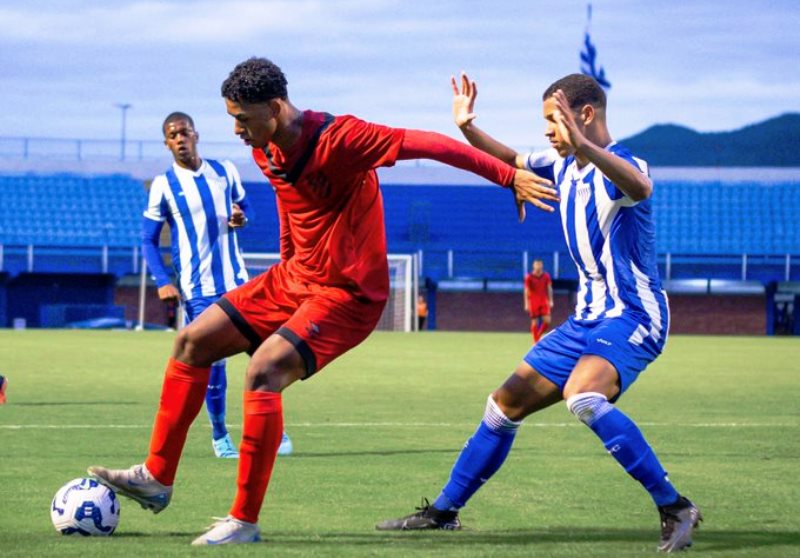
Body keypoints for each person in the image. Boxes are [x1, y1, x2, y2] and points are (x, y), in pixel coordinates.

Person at [87, 57, 558, 546]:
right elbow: (293, 211)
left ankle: (243, 521)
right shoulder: (266, 150)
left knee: (262, 372)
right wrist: (286, 283)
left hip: (349, 293)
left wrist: (509, 176)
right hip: (295, 278)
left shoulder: (342, 139)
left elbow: (431, 144)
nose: (235, 129)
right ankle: (157, 477)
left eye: (243, 118)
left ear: (274, 108)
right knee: (191, 340)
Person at [377, 73, 701, 553]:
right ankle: (443, 512)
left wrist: (584, 147)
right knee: (503, 404)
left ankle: (675, 506)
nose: (548, 132)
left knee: (583, 396)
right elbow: (510, 159)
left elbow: (642, 187)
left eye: (554, 121)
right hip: (585, 320)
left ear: (584, 115)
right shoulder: (563, 164)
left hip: (633, 315)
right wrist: (467, 127)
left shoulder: (622, 165)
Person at [138, 111, 292, 459]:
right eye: (172, 135)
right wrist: (162, 280)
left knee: (268, 354)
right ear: (166, 143)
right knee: (215, 361)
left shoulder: (224, 171)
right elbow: (147, 239)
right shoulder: (163, 185)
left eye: (184, 132)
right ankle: (221, 435)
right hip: (198, 287)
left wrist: (242, 217)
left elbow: (246, 208)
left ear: (196, 135)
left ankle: (275, 431)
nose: (179, 138)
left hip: (238, 281)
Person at [524, 259, 553, 343]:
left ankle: (538, 336)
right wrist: (526, 303)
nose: (538, 267)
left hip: (543, 300)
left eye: (539, 265)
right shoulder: (529, 277)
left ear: (542, 265)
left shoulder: (546, 276)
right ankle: (536, 341)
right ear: (533, 266)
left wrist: (551, 300)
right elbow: (526, 290)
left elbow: (549, 288)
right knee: (534, 322)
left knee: (547, 320)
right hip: (533, 301)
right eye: (536, 265)